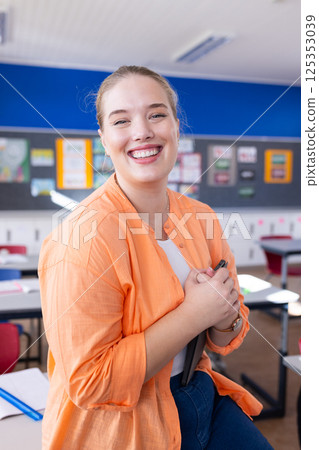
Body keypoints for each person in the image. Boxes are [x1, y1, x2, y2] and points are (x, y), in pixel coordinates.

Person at [39, 65, 273, 449]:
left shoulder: (201, 217)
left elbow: (230, 331)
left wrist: (225, 314)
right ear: (103, 138)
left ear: (176, 126)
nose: (142, 131)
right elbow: (91, 382)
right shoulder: (81, 239)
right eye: (121, 120)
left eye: (156, 114)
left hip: (196, 394)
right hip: (120, 426)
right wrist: (195, 314)